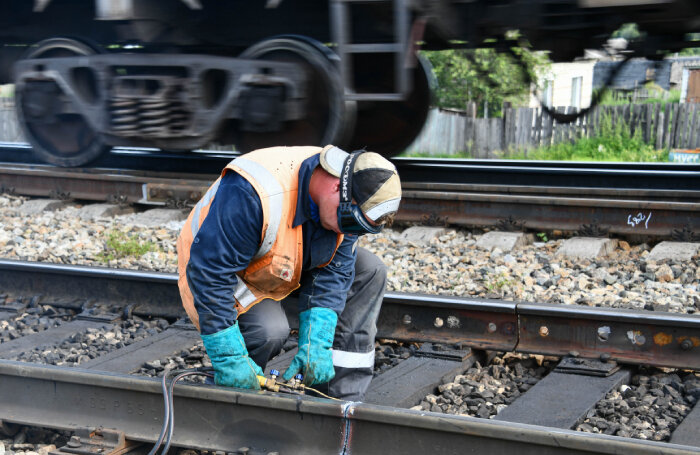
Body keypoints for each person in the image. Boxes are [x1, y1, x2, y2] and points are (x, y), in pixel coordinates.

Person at [177, 145, 401, 401]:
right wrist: (227, 356)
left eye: (362, 229)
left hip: (282, 264)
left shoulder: (347, 203)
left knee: (370, 270)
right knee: (269, 331)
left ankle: (336, 400)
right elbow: (211, 273)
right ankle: (235, 392)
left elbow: (334, 272)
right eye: (352, 223)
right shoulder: (253, 192)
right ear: (337, 187)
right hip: (219, 270)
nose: (349, 232)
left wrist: (316, 342)